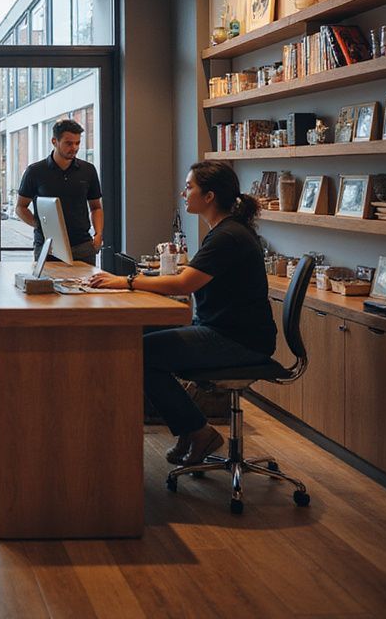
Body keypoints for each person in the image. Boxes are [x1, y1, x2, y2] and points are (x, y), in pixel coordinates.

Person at [89, 161, 277, 465]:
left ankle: (197, 431)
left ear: (209, 196)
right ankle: (191, 431)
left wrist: (126, 281)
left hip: (237, 340)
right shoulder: (225, 231)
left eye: (189, 187)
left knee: (142, 353)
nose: (183, 193)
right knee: (135, 337)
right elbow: (191, 276)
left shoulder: (227, 236)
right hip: (227, 330)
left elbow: (184, 284)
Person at [15, 118, 104, 265]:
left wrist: (99, 234)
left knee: (87, 281)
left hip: (83, 245)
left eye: (77, 143)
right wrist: (39, 225)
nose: (74, 148)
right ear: (54, 141)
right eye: (68, 143)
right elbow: (20, 207)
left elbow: (96, 207)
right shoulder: (35, 171)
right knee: (48, 281)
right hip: (48, 246)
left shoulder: (88, 170)